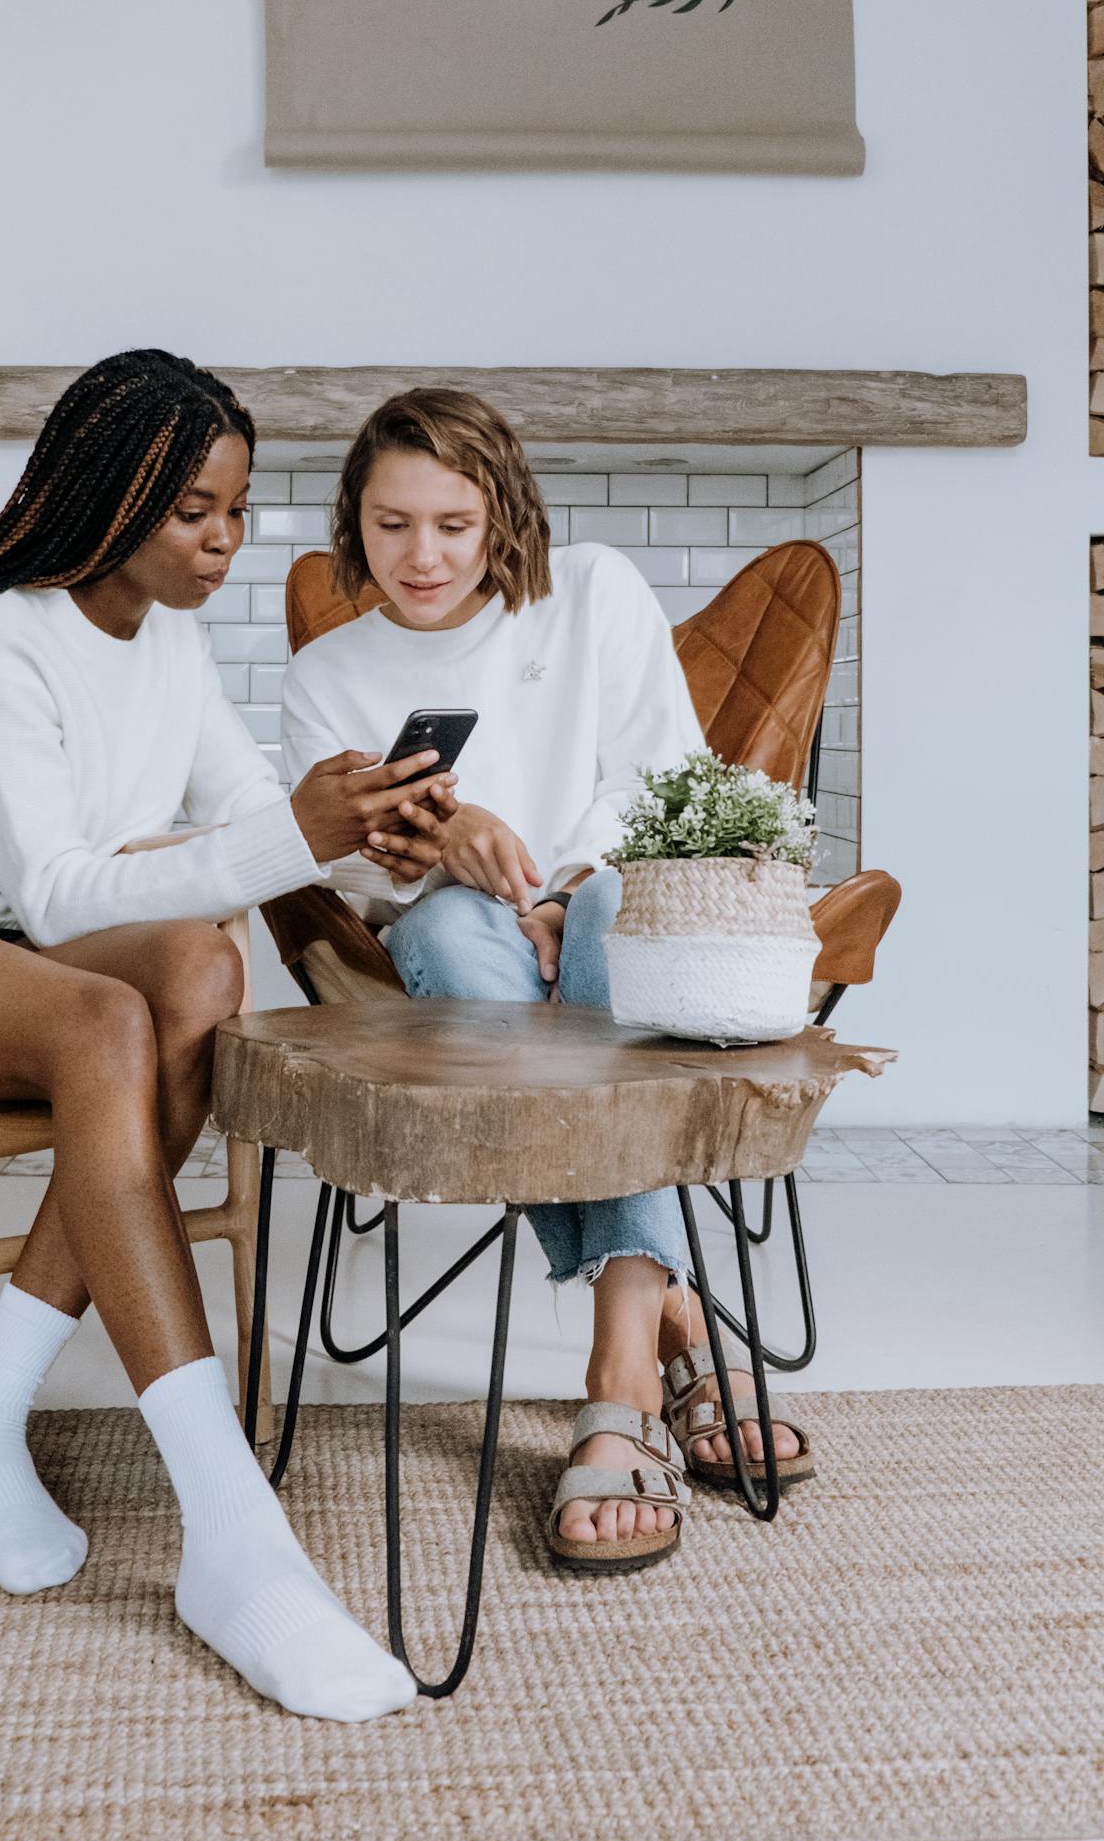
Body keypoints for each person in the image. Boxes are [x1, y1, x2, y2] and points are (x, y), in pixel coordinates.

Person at [0, 348, 457, 1721]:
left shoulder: (172, 646)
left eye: (238, 513)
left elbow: (255, 832)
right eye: (194, 509)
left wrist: (376, 846)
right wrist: (278, 834)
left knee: (194, 967)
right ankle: (233, 1540)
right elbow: (57, 895)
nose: (222, 542)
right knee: (102, 1019)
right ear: (107, 489)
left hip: (4, 957)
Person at [281, 388, 810, 1572]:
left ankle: (615, 1366)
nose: (423, 556)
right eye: (392, 524)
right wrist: (446, 837)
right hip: (452, 942)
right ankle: (669, 1320)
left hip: (601, 902)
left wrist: (565, 886)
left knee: (626, 913)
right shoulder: (330, 673)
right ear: (352, 524)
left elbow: (663, 781)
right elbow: (347, 879)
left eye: (454, 524)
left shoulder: (597, 592)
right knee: (459, 940)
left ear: (503, 518)